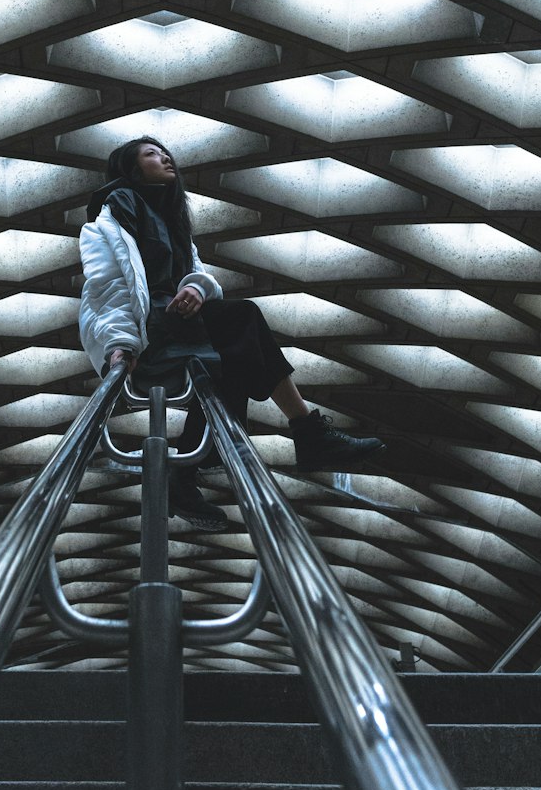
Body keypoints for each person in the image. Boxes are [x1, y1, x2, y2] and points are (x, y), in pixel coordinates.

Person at [78, 135, 386, 531]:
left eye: (166, 150)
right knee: (243, 319)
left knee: (235, 359)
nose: (166, 156)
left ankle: (183, 478)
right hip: (148, 333)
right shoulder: (110, 217)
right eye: (152, 154)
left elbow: (198, 274)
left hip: (179, 324)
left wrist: (195, 287)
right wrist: (119, 344)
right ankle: (307, 433)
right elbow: (107, 285)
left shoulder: (172, 222)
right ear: (132, 169)